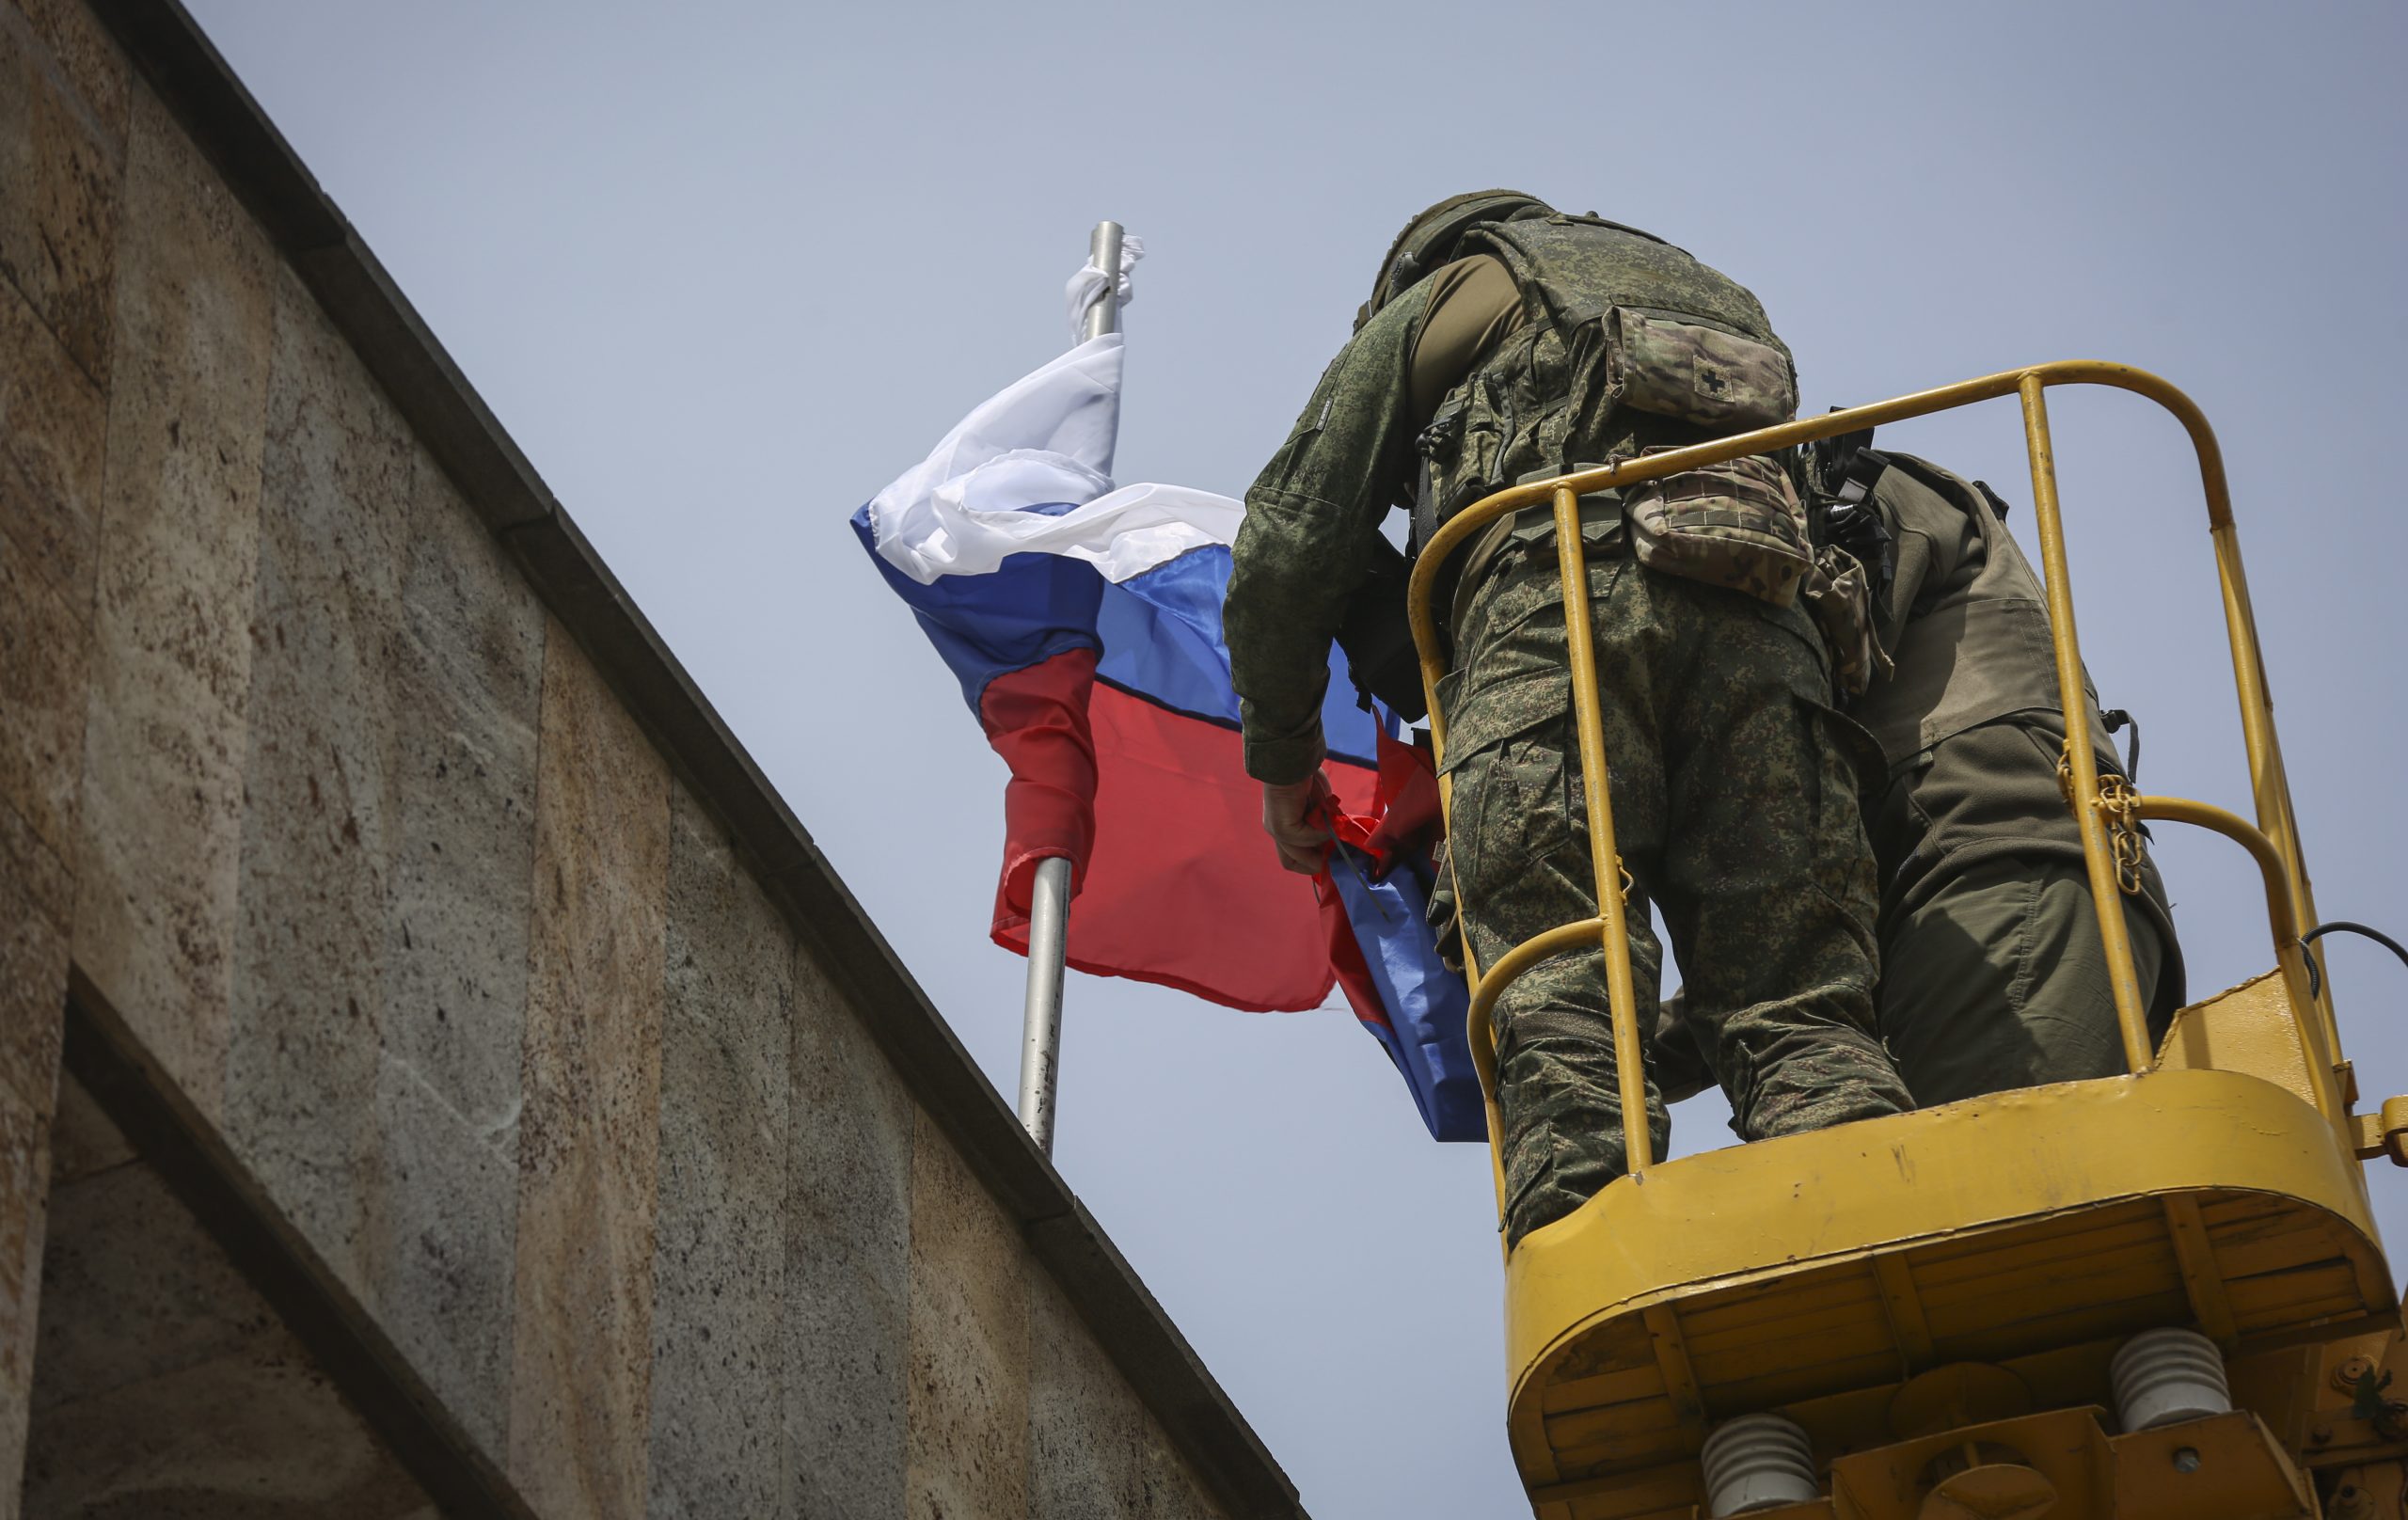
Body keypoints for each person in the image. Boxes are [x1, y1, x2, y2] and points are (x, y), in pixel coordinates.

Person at [1222, 192, 1911, 1248]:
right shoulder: (1717, 294)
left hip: (1557, 628)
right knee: (1802, 1007)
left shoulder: (1452, 290)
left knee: (1561, 992)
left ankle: (1604, 1266)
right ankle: (1879, 1215)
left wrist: (1283, 763)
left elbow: (1287, 538)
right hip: (1770, 644)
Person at [1651, 446, 2187, 1107]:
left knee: (1981, 1193)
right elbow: (1773, 963)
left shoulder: (1858, 496)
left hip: (2003, 880)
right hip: (1971, 902)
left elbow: (1767, 673)